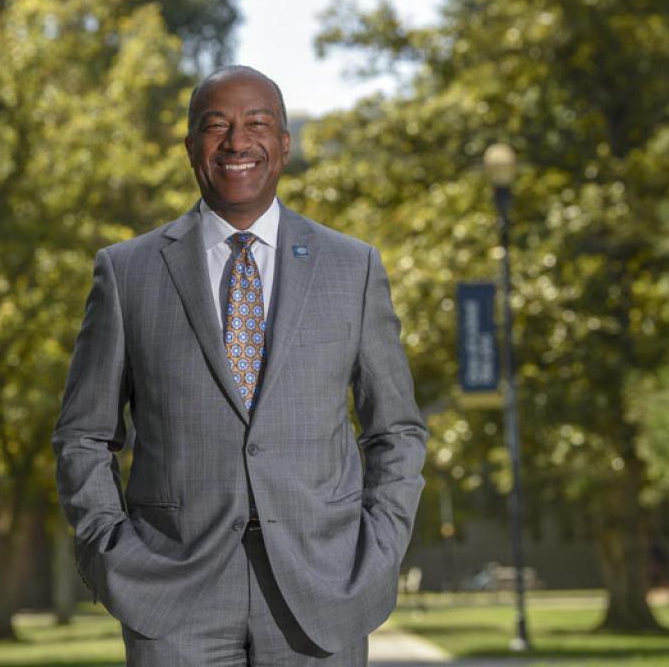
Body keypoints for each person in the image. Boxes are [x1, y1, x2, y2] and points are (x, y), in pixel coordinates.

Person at [53, 65, 427, 665]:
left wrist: (380, 547)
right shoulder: (127, 273)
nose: (236, 142)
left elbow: (397, 431)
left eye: (258, 124)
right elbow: (84, 435)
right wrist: (109, 551)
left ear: (283, 143)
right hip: (172, 594)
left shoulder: (351, 268)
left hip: (323, 588)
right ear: (190, 147)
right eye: (216, 125)